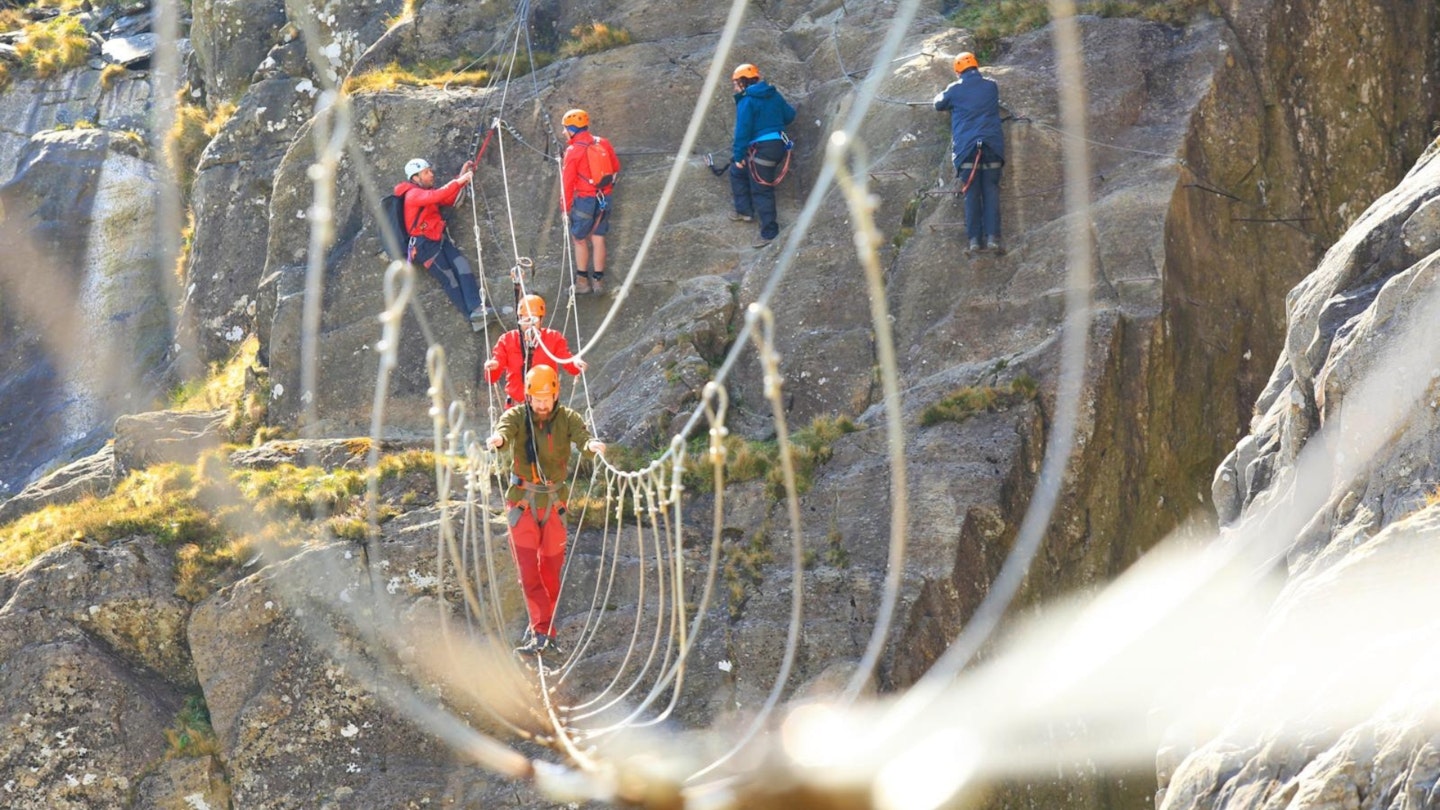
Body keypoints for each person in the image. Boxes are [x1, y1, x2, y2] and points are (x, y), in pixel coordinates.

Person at [486, 365, 606, 656]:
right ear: (527, 395)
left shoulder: (567, 418)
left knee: (550, 571)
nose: (541, 403)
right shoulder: (517, 415)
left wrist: (591, 445)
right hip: (522, 503)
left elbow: (582, 437)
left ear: (555, 394)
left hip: (554, 504)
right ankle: (543, 632)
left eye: (546, 397)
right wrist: (499, 440)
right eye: (536, 398)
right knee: (529, 572)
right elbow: (505, 429)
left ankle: (541, 627)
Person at [395, 157, 497, 329]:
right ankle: (472, 316)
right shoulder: (413, 195)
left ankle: (477, 308)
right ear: (415, 178)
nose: (431, 174)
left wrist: (462, 175)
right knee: (450, 279)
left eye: (430, 171)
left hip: (438, 239)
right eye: (426, 172)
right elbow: (438, 195)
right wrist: (460, 181)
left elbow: (447, 199)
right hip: (424, 246)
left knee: (462, 266)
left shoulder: (426, 193)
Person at [934, 52, 1006, 254]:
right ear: (976, 66)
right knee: (991, 191)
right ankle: (992, 238)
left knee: (972, 194)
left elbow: (938, 104)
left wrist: (947, 92)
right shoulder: (991, 86)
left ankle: (974, 241)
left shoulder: (954, 90)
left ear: (958, 71)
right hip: (992, 147)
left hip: (967, 151)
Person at [728, 63, 795, 248]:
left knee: (761, 189)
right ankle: (744, 210)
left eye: (735, 83)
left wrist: (739, 154)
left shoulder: (747, 100)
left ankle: (770, 233)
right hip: (778, 146)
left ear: (743, 81)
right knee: (737, 171)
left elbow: (743, 130)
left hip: (761, 148)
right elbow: (789, 115)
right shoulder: (773, 95)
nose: (734, 87)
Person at [483, 294, 586, 408]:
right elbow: (492, 375)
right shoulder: (507, 340)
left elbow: (566, 359)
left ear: (541, 319)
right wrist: (494, 365)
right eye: (526, 319)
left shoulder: (553, 338)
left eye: (534, 319)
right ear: (519, 319)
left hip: (545, 407)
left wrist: (576, 363)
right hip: (516, 407)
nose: (530, 324)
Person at [560, 108, 621, 296]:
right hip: (605, 198)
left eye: (565, 128)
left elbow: (567, 182)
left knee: (579, 239)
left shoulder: (573, 151)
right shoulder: (603, 142)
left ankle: (582, 283)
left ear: (572, 129)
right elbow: (615, 168)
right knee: (598, 238)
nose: (563, 132)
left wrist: (565, 207)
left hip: (585, 200)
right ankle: (599, 282)